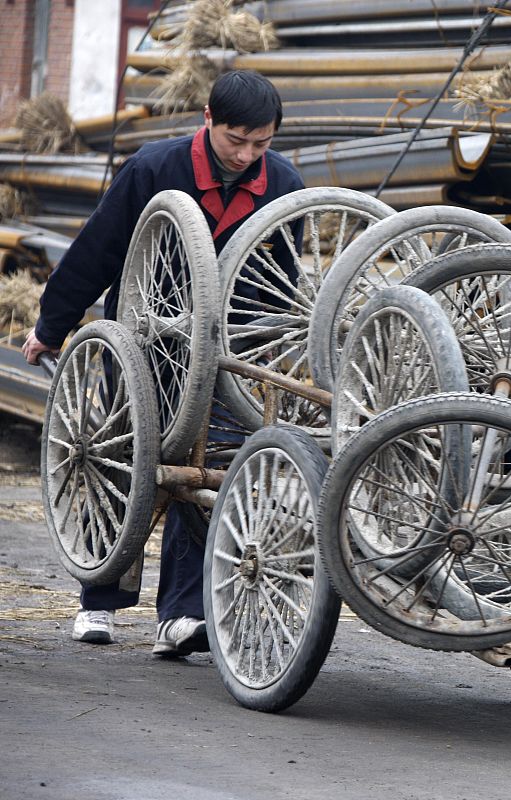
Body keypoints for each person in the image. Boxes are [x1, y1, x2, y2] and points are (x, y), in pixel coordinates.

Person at [23, 70, 304, 657]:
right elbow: (97, 250)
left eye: (261, 143)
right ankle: (99, 599)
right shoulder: (154, 168)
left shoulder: (283, 185)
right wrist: (51, 326)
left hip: (228, 352)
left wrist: (276, 350)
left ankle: (181, 614)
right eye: (236, 140)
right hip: (143, 340)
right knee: (120, 460)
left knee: (205, 471)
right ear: (208, 119)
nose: (246, 155)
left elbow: (284, 283)